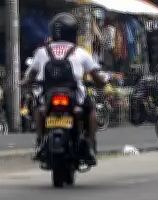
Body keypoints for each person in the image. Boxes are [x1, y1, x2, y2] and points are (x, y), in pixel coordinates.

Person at [22, 13, 109, 166]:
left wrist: (24, 83)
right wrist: (102, 82)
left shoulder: (42, 52)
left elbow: (30, 75)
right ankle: (89, 143)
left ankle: (40, 141)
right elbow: (97, 76)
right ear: (73, 32)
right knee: (91, 110)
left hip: (48, 95)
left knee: (39, 109)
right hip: (75, 96)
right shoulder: (80, 52)